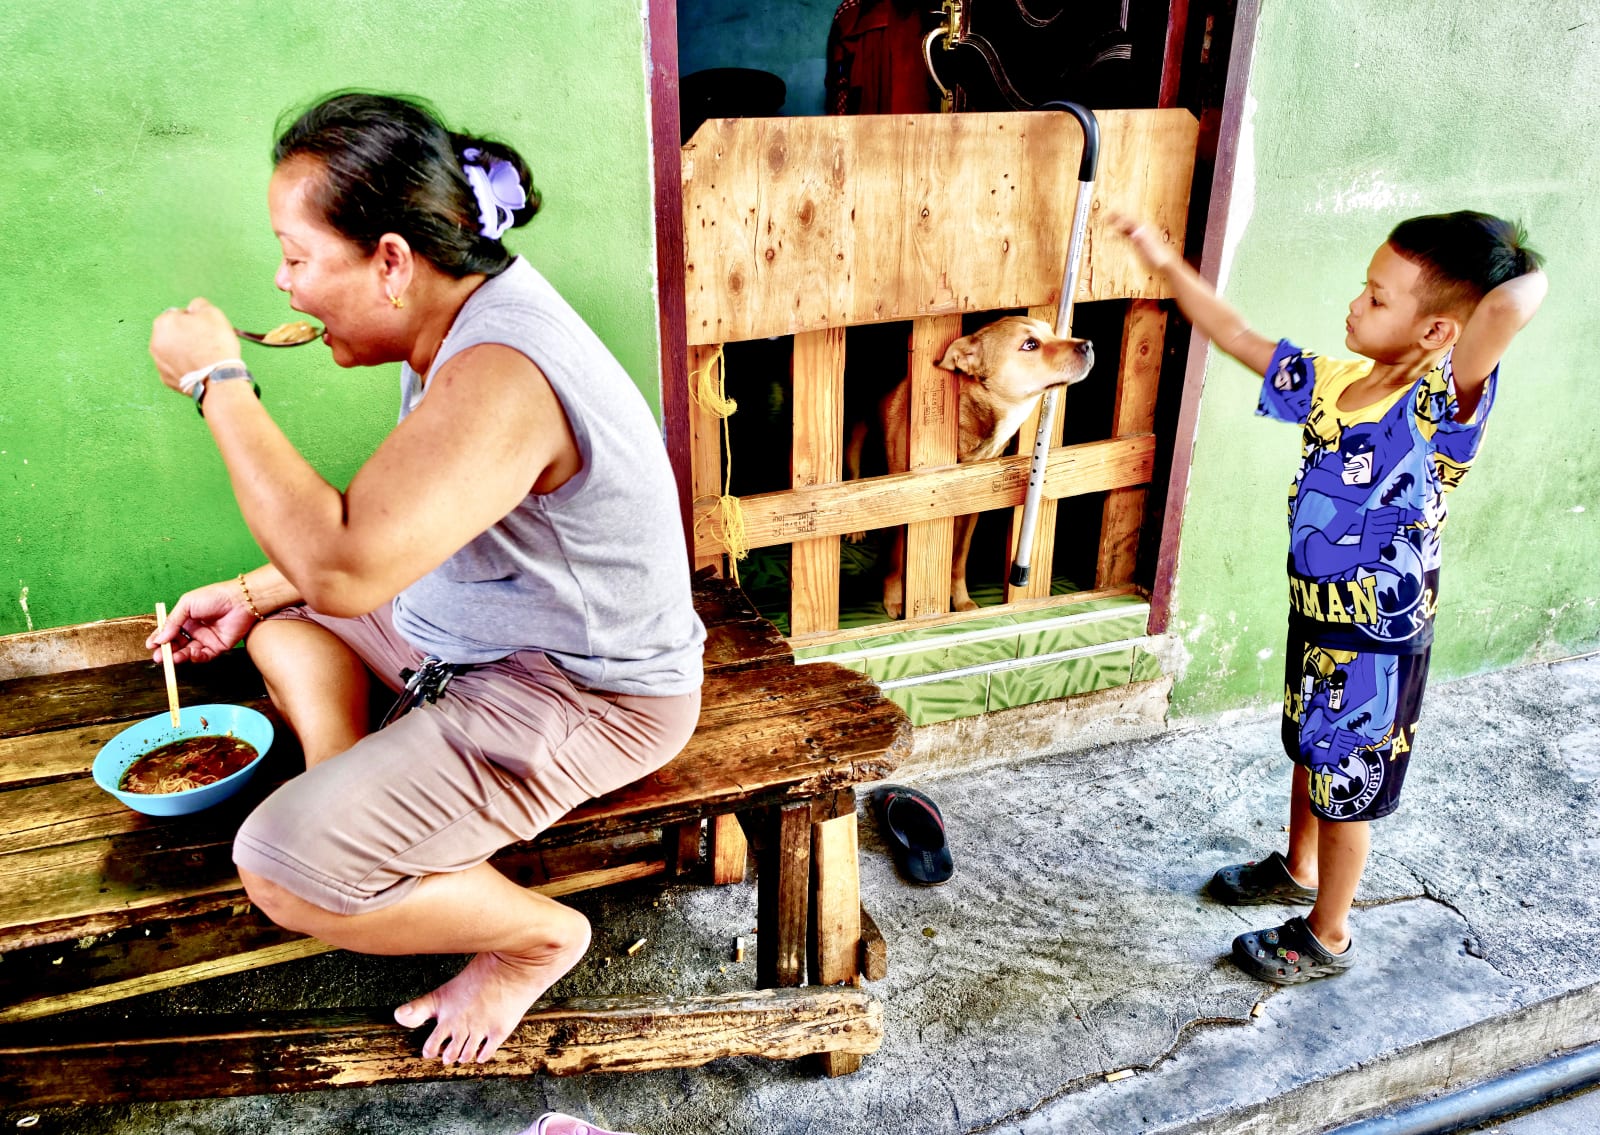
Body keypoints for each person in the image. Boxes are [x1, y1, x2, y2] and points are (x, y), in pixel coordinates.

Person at [145, 91, 706, 1063]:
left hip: (584, 691)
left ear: (392, 259)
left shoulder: (500, 370)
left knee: (284, 869)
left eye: (297, 255)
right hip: (472, 631)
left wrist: (217, 382)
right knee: (282, 628)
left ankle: (534, 937)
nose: (283, 285)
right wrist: (246, 594)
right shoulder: (457, 317)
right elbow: (391, 537)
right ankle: (354, 784)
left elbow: (346, 563)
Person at [1114, 209, 1546, 982]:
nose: (1356, 305)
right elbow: (1237, 331)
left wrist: (1509, 259)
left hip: (1378, 641)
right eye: (1364, 289)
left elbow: (1510, 305)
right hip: (1317, 616)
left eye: (1378, 299)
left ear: (1439, 333)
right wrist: (1163, 262)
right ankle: (1298, 865)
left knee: (1348, 781)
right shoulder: (1336, 381)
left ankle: (1329, 932)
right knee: (1311, 749)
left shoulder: (1439, 406)